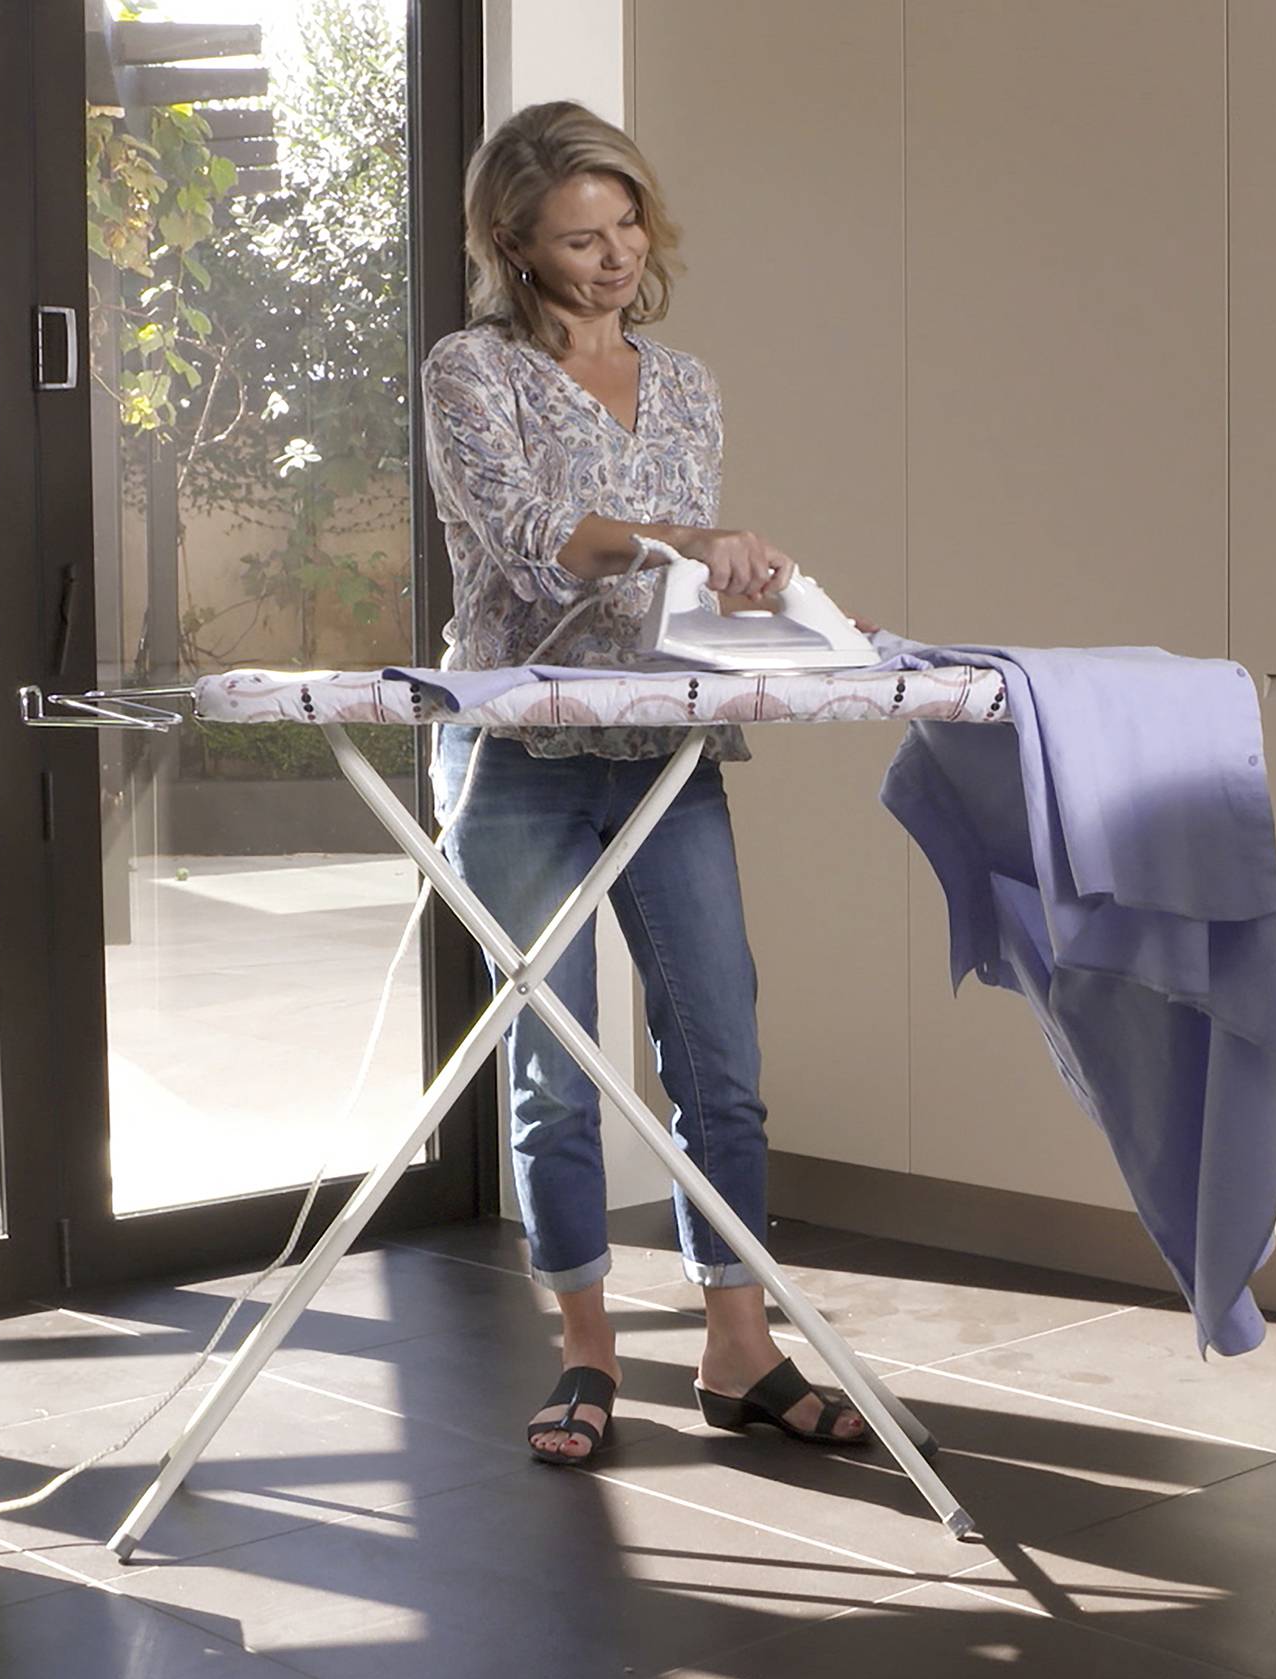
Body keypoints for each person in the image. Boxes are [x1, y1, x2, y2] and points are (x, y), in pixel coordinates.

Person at [421, 100, 868, 1466]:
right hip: (517, 755)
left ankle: (740, 1349)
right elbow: (525, 545)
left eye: (626, 225)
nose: (614, 257)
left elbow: (676, 594)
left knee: (719, 1054)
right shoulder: (469, 372)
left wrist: (756, 600)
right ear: (514, 242)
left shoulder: (686, 384)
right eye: (579, 237)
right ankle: (587, 1348)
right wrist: (696, 536)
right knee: (557, 1067)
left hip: (667, 754)